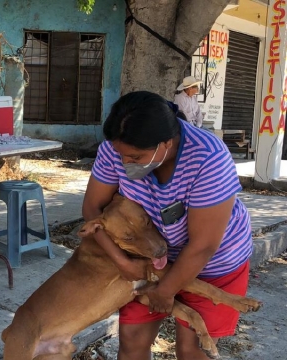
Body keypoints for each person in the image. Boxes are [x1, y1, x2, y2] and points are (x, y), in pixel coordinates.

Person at [83, 91, 253, 360]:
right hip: (147, 262)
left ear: (165, 144)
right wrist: (122, 262)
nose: (125, 163)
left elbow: (203, 245)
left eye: (136, 158)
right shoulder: (118, 147)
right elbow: (93, 210)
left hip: (212, 263)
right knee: (132, 340)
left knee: (192, 349)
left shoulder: (207, 158)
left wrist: (166, 290)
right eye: (121, 154)